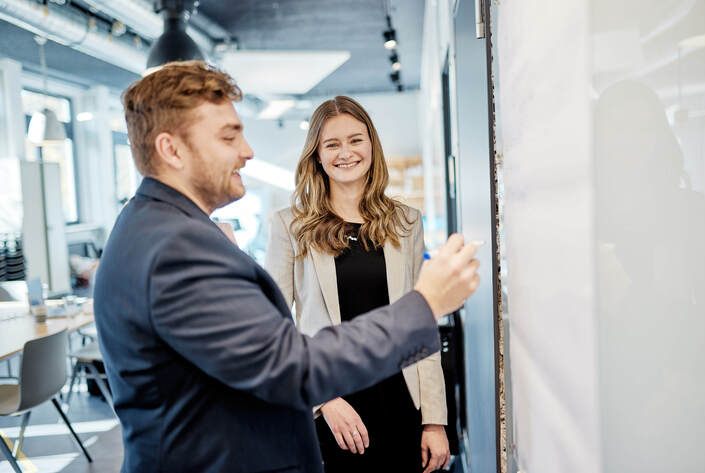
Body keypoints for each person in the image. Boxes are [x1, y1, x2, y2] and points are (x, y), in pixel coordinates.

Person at [93, 61, 481, 473]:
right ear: (171, 149)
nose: (247, 151)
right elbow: (290, 366)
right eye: (229, 136)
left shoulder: (171, 231)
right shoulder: (178, 246)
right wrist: (426, 304)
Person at [265, 96, 449, 473]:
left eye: (355, 140)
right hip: (333, 408)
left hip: (401, 400)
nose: (345, 152)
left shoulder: (406, 223)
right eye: (331, 144)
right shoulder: (290, 226)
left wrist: (435, 420)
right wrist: (323, 400)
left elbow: (421, 323)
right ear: (316, 154)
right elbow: (275, 329)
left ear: (371, 146)